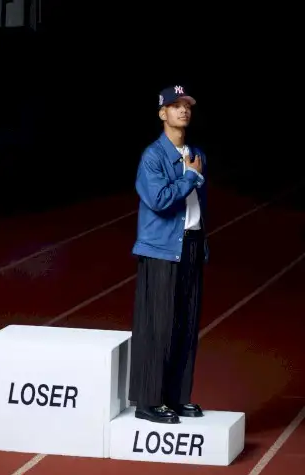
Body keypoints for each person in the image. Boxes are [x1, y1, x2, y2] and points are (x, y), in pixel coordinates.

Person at [128, 85, 208, 423]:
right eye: (175, 106)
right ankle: (149, 402)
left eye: (186, 105)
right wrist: (190, 177)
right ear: (163, 113)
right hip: (161, 249)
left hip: (190, 244)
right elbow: (159, 200)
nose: (183, 110)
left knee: (185, 325)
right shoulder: (153, 156)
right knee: (157, 326)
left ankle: (176, 397)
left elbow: (198, 205)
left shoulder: (197, 153)